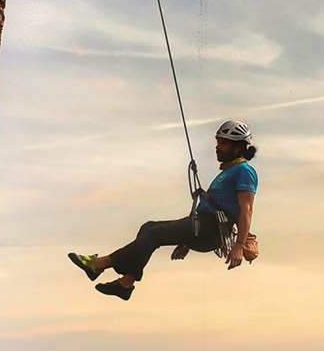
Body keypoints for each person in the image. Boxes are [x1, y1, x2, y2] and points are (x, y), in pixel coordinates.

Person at [68, 119, 258, 300]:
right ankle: (126, 284)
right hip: (202, 225)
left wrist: (239, 245)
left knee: (155, 234)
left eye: (224, 143)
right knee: (148, 227)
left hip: (212, 229)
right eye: (218, 142)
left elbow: (246, 210)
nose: (217, 147)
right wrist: (186, 240)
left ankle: (100, 263)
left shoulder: (244, 171)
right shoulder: (228, 172)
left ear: (238, 147)